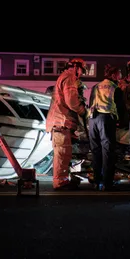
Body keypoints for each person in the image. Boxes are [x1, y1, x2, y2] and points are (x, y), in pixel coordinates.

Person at [45, 58, 88, 190]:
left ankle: (63, 180)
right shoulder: (69, 77)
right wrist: (83, 111)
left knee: (64, 153)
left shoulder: (66, 77)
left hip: (62, 123)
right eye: (81, 71)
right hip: (60, 122)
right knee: (62, 154)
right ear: (76, 67)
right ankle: (60, 182)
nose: (81, 74)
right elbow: (71, 101)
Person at [88, 64, 125, 191]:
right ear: (114, 75)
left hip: (93, 120)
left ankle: (96, 181)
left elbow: (90, 103)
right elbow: (121, 109)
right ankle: (107, 183)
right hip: (106, 119)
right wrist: (122, 123)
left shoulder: (96, 86)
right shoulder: (115, 88)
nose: (121, 77)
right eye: (119, 74)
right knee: (108, 152)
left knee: (96, 151)